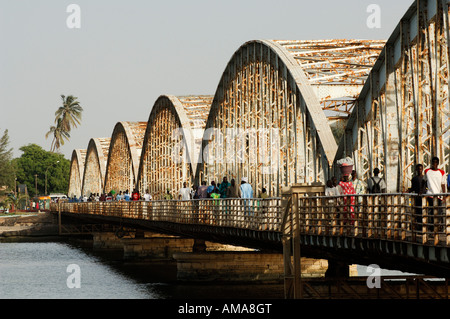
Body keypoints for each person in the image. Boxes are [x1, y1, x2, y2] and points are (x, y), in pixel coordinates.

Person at [424, 157, 446, 230]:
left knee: (438, 212)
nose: (434, 164)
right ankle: (433, 227)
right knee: (432, 211)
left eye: (436, 162)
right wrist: (422, 190)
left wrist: (444, 195)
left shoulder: (442, 172)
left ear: (438, 163)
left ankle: (436, 226)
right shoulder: (427, 171)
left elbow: (443, 184)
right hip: (430, 194)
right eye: (433, 162)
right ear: (431, 163)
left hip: (439, 195)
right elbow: (424, 181)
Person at [409, 163, 426, 230]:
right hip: (417, 198)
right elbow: (413, 188)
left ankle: (423, 227)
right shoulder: (414, 179)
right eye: (418, 169)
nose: (419, 170)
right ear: (416, 170)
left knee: (424, 213)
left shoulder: (424, 178)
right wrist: (407, 191)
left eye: (421, 169)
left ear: (422, 170)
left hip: (424, 198)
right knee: (418, 213)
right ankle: (419, 228)